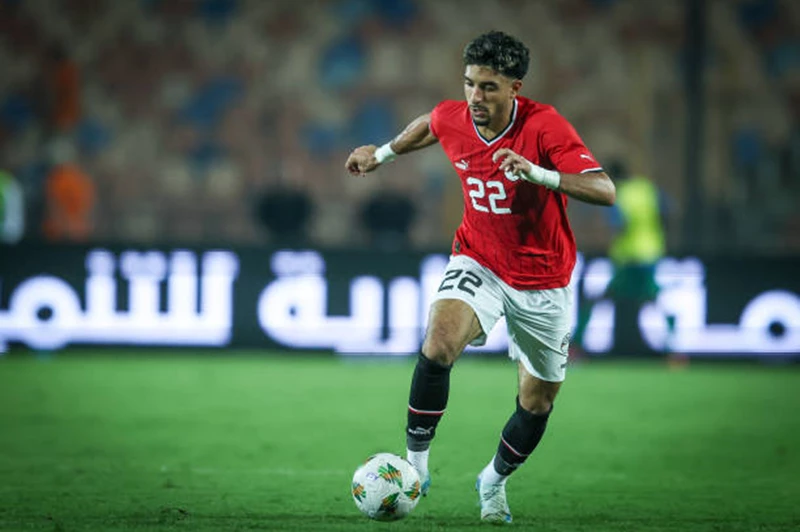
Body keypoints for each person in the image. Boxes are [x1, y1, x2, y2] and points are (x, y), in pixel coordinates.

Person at [344, 31, 615, 523]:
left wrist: (539, 174)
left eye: (488, 87)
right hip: (479, 260)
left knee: (536, 403)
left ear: (515, 88)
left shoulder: (544, 126)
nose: (475, 96)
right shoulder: (457, 116)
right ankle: (415, 468)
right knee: (438, 343)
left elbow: (604, 189)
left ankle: (492, 481)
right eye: (470, 83)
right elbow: (430, 124)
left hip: (542, 281)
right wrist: (380, 155)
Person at [571, 161, 680, 362]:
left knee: (596, 300)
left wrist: (607, 237)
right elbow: (670, 209)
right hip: (651, 254)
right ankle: (674, 350)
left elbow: (619, 224)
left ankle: (576, 347)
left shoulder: (617, 194)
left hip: (628, 259)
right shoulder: (646, 188)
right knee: (655, 300)